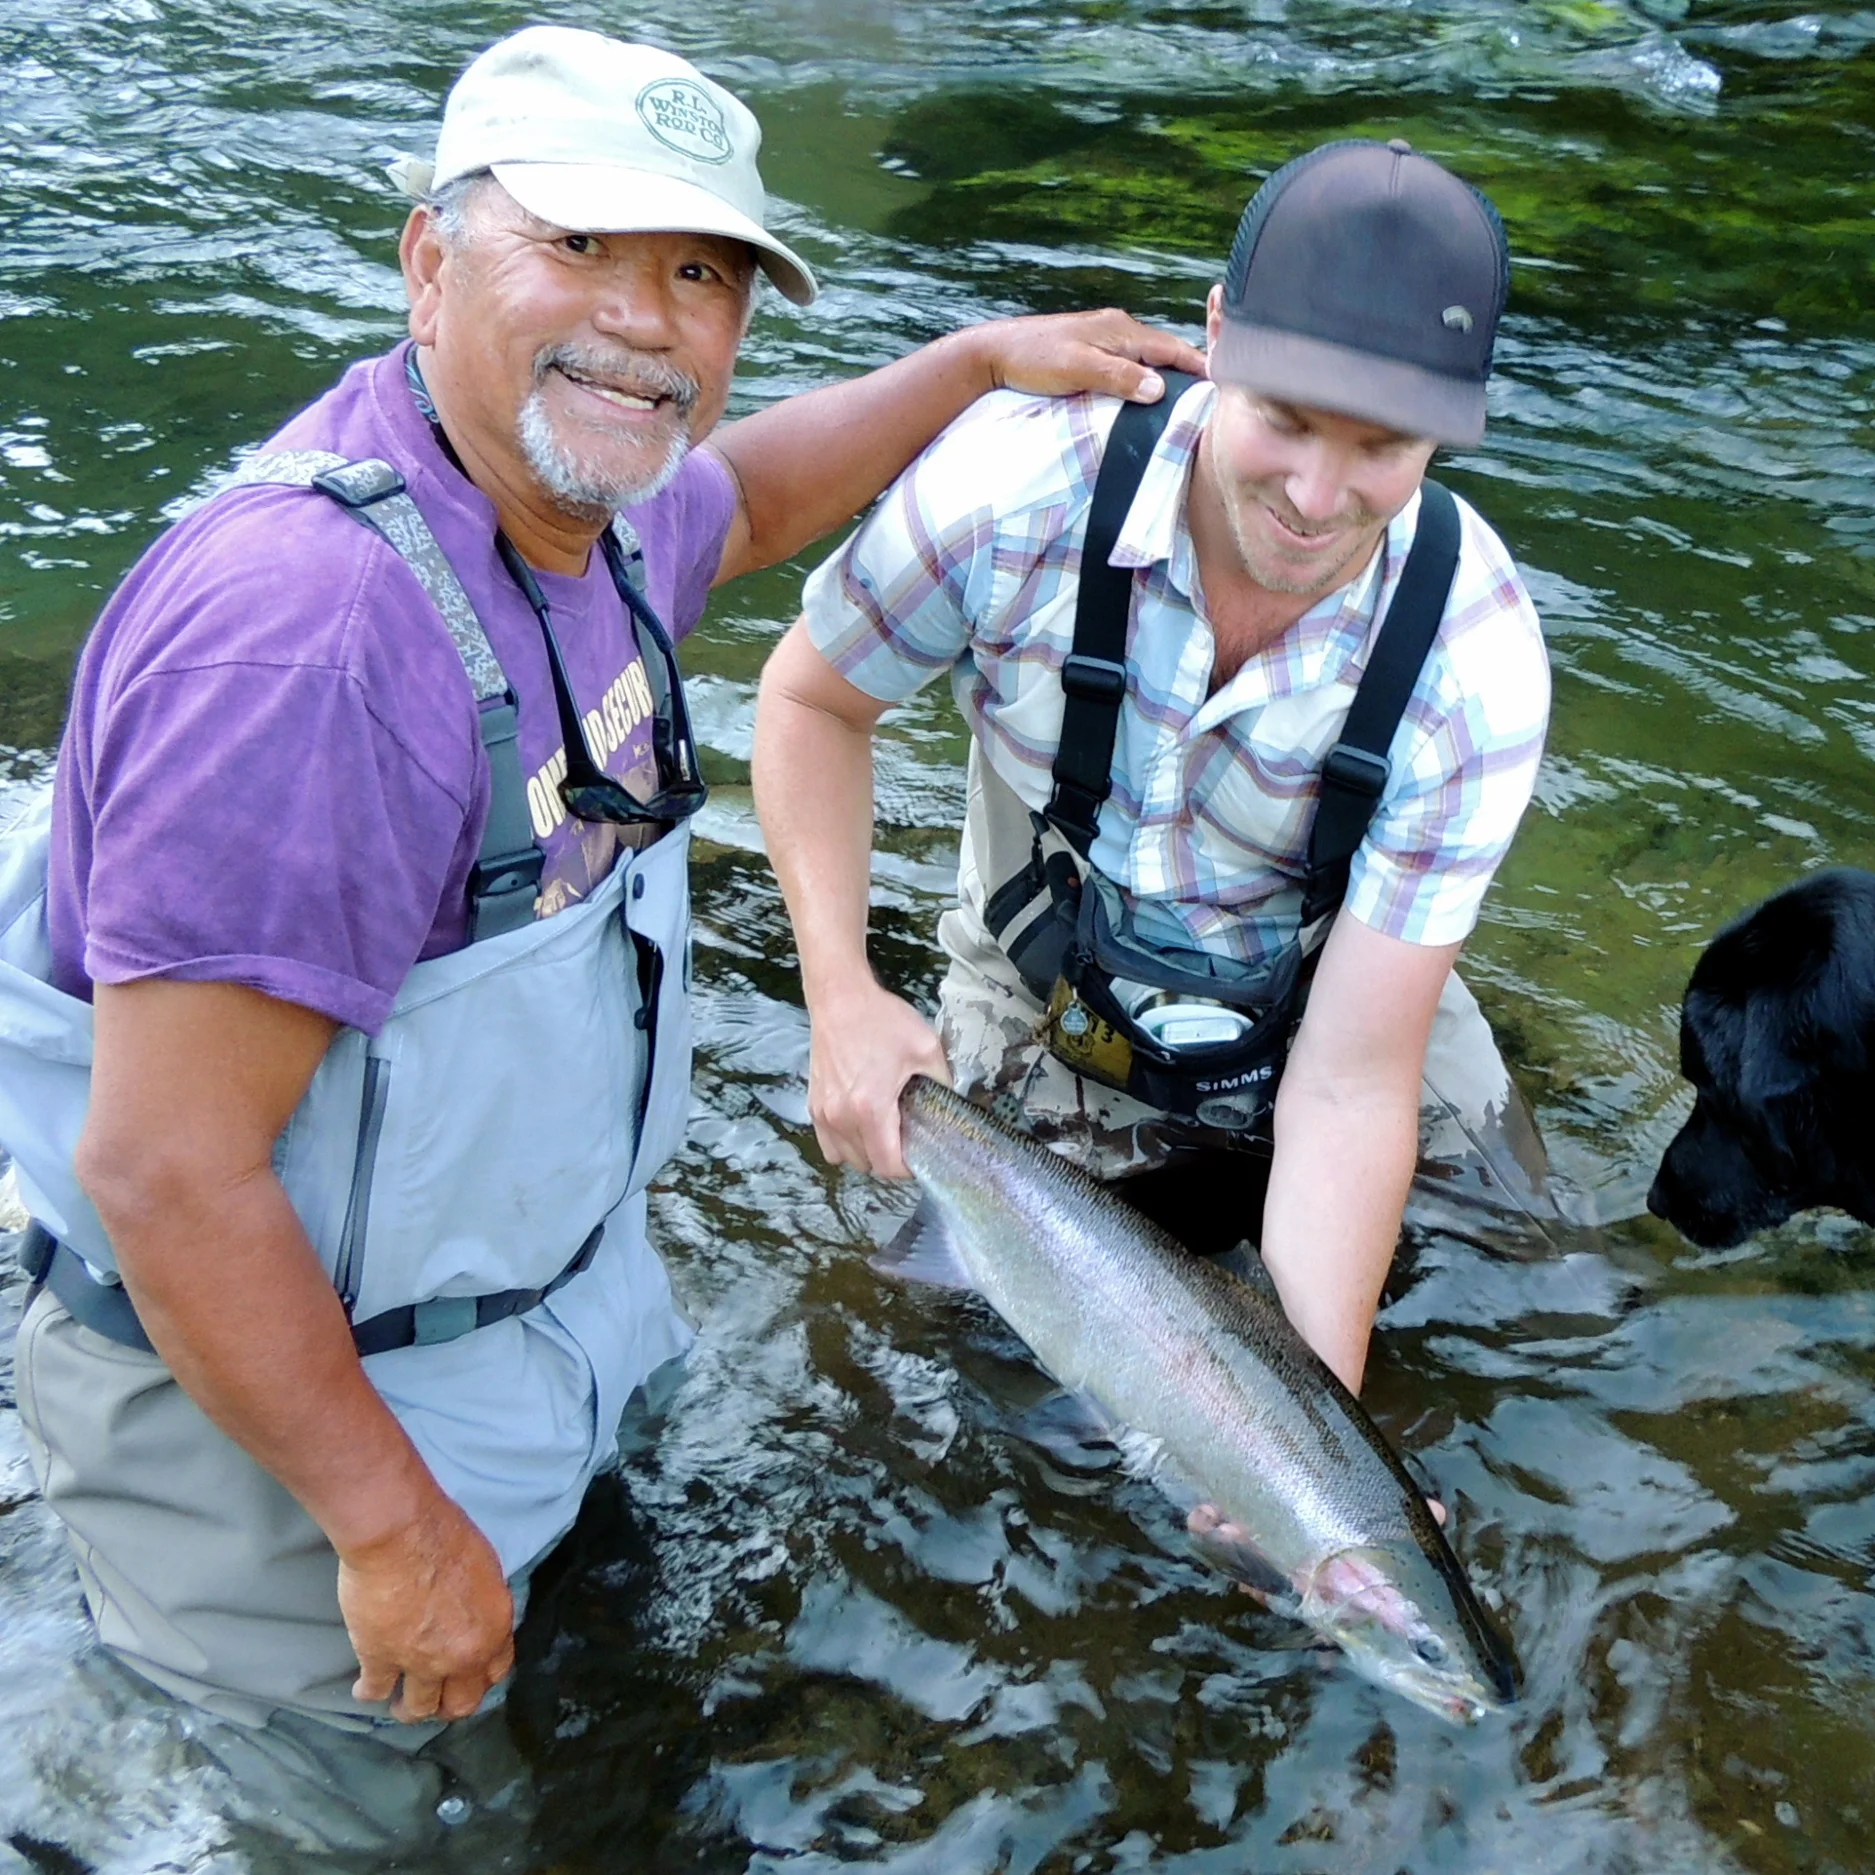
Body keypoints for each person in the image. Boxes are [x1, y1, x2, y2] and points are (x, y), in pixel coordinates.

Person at [0, 22, 1199, 1744]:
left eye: (701, 269)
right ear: (430, 255)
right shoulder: (309, 650)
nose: (645, 318)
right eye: (577, 246)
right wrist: (392, 1529)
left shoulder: (583, 509)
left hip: (522, 1328)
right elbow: (169, 1173)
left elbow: (756, 495)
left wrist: (974, 365)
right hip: (287, 1428)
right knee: (361, 1826)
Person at [755, 138, 1559, 1401]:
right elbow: (809, 699)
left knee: (1530, 1307)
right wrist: (841, 992)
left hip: (1334, 1000)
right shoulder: (1013, 488)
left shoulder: (1476, 663)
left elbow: (1352, 1085)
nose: (1316, 494)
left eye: (1383, 448)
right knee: (983, 1369)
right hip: (1046, 981)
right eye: (1284, 419)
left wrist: (1310, 1449)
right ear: (1217, 331)